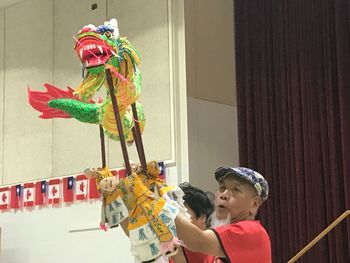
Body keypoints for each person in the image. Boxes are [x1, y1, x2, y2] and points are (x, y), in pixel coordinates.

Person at [174, 166, 271, 263]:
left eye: (236, 189)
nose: (223, 195)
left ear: (254, 203)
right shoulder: (216, 244)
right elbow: (182, 253)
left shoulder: (252, 231)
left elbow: (198, 241)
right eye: (222, 187)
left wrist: (163, 206)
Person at [171, 182, 214, 263]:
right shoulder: (165, 253)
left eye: (181, 213)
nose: (174, 219)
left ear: (202, 217)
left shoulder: (217, 255)